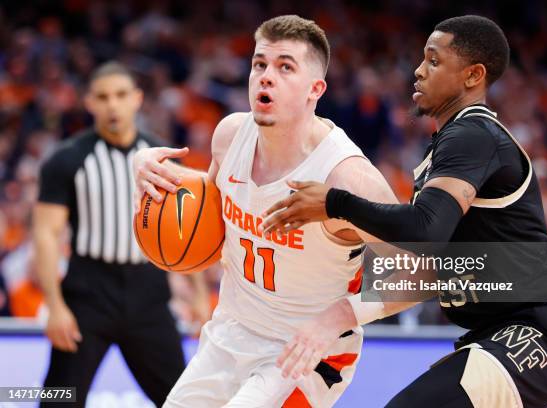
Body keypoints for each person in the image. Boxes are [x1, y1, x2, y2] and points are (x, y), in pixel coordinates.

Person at [262, 15, 547, 408]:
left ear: (473, 75)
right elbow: (423, 260)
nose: (418, 71)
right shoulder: (451, 146)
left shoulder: (472, 134)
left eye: (434, 61)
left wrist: (335, 203)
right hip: (497, 331)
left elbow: (424, 232)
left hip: (541, 329)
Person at [133, 15, 397, 408]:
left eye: (284, 66)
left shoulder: (347, 176)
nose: (266, 76)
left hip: (307, 351)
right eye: (260, 64)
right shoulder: (229, 136)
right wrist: (154, 175)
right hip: (232, 330)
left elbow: (424, 268)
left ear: (315, 89)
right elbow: (205, 228)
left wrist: (340, 316)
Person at [34, 62, 188, 407]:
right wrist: (55, 306)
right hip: (88, 292)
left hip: (148, 292)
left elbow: (187, 230)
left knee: (183, 399)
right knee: (59, 400)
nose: (113, 105)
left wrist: (195, 292)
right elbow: (45, 234)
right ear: (89, 102)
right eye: (103, 97)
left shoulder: (164, 158)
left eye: (121, 95)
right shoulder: (67, 159)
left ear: (137, 99)